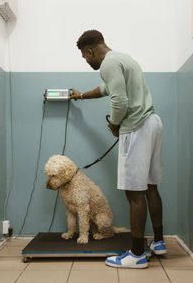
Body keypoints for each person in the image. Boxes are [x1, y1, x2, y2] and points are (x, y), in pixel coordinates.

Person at [70, 30, 167, 269]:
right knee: (151, 186)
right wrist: (81, 96)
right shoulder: (123, 59)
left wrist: (114, 124)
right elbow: (106, 90)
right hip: (152, 123)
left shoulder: (108, 64)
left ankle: (136, 255)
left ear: (91, 50)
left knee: (134, 192)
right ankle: (159, 242)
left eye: (85, 56)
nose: (86, 60)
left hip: (136, 128)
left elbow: (120, 101)